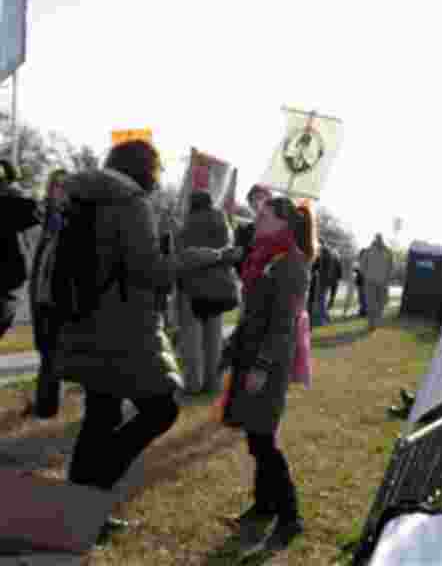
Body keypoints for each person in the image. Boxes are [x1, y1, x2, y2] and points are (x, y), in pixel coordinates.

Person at [52, 139, 239, 541]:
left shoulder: (84, 195)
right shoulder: (131, 203)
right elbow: (151, 273)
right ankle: (92, 496)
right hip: (123, 327)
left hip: (85, 320)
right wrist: (208, 256)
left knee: (99, 418)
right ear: (145, 168)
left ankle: (80, 511)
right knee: (161, 410)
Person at [220, 195, 315, 557]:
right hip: (251, 356)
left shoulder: (290, 263)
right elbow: (254, 315)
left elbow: (282, 326)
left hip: (268, 363)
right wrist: (233, 349)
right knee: (256, 434)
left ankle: (290, 517)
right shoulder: (265, 257)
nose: (257, 219)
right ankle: (263, 508)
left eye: (265, 215)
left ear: (283, 223)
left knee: (263, 440)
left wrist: (261, 366)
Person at [177, 190, 231, 395]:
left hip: (192, 286)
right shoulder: (222, 221)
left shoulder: (188, 223)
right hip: (218, 287)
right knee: (214, 339)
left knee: (192, 339)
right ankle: (213, 383)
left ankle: (193, 383)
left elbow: (181, 254)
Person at [25, 168, 68, 418]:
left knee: (53, 353)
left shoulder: (69, 217)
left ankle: (46, 407)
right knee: (46, 351)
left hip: (56, 297)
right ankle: (46, 404)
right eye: (55, 185)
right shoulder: (44, 216)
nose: (58, 190)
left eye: (63, 186)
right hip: (41, 294)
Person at [0, 159, 40, 337]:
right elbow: (35, 240)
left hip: (10, 279)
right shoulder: (18, 205)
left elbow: (35, 239)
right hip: (10, 279)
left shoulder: (17, 205)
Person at [233, 184, 273, 274]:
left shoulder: (273, 230)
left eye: (261, 198)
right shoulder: (243, 229)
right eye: (253, 199)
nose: (257, 202)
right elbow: (238, 254)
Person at [358, 235, 393, 331]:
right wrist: (367, 276)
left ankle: (374, 322)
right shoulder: (370, 251)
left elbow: (391, 268)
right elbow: (362, 266)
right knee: (373, 304)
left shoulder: (387, 252)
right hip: (373, 282)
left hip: (379, 282)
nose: (379, 241)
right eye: (378, 239)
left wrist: (387, 279)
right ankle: (372, 323)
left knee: (378, 303)